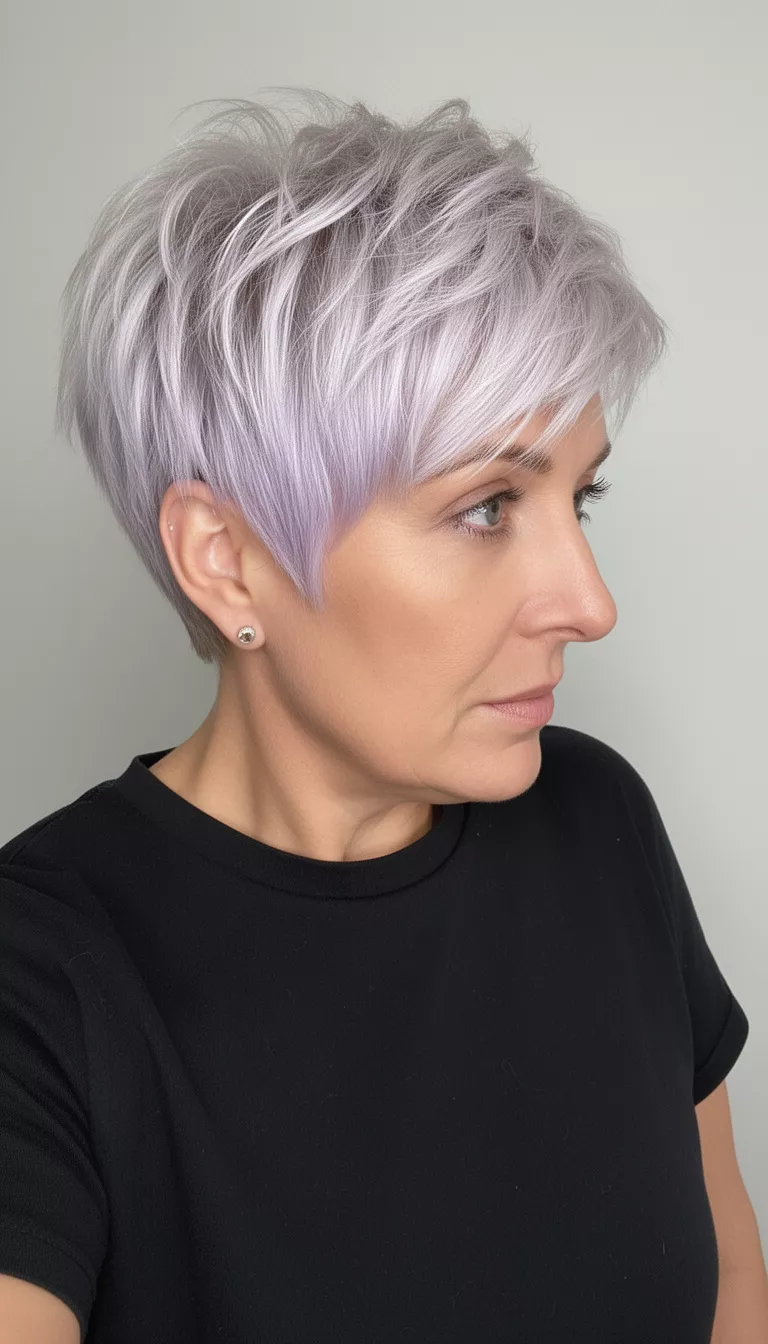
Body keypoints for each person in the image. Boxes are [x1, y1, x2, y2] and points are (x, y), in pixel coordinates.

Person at [0, 88, 763, 1344]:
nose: (590, 602)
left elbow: (732, 1280)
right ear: (227, 560)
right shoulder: (40, 981)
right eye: (487, 508)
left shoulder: (597, 823)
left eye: (582, 496)